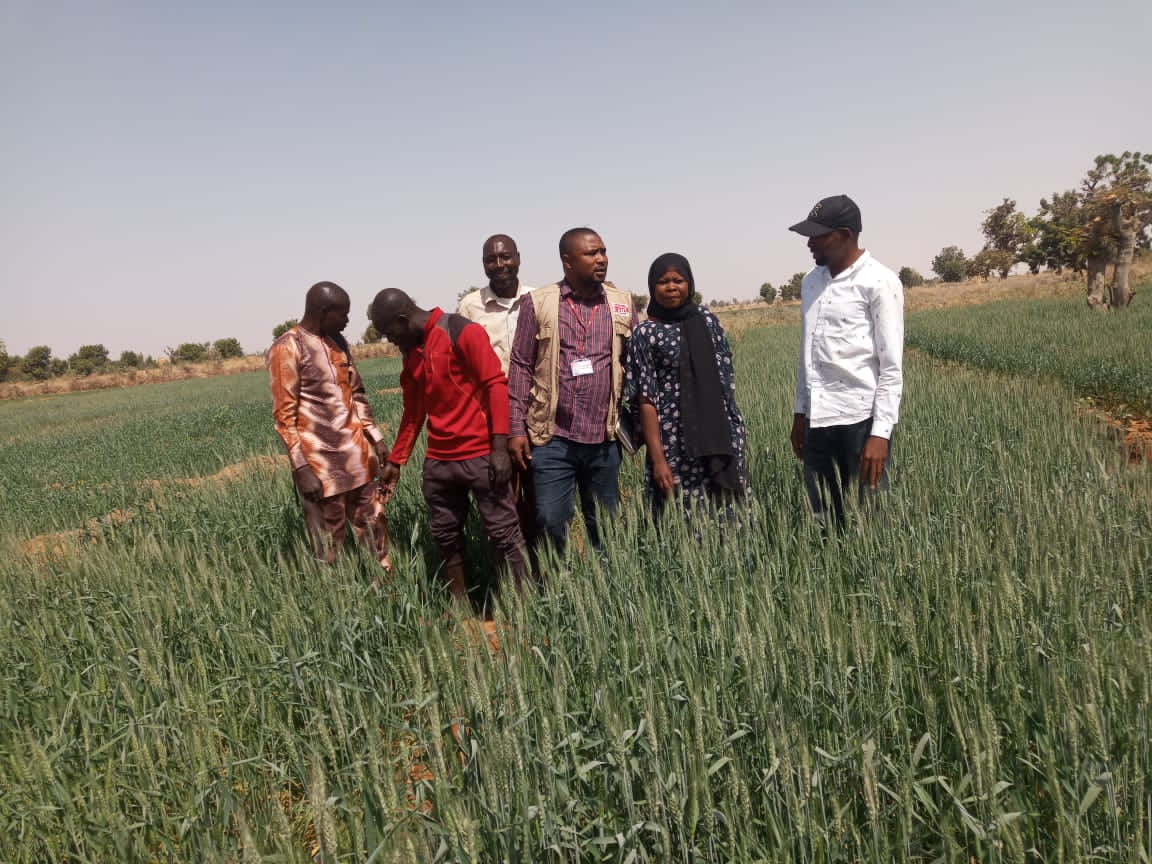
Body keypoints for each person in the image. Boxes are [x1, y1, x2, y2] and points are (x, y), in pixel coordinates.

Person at [369, 288, 528, 607]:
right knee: (445, 534)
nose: (390, 340)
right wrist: (397, 460)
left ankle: (521, 606)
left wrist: (499, 448)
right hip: (440, 462)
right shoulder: (411, 351)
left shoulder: (461, 331)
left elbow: (495, 385)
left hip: (481, 455)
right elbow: (414, 410)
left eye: (390, 333)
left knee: (503, 532)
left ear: (403, 319)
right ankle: (460, 607)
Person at [507, 227, 636, 555]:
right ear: (568, 262)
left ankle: (606, 589)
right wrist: (515, 429)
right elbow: (521, 366)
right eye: (591, 254)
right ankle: (561, 588)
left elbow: (636, 363)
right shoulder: (538, 303)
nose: (601, 259)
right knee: (551, 519)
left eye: (603, 251)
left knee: (605, 523)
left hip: (604, 437)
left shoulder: (621, 303)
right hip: (553, 438)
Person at [788, 195, 904, 525]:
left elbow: (891, 365)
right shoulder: (810, 283)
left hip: (860, 421)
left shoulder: (880, 281)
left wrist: (880, 434)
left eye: (817, 235)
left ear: (844, 234)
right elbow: (807, 351)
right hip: (817, 421)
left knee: (871, 522)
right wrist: (800, 412)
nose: (809, 243)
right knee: (823, 518)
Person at [266, 281, 391, 569]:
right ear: (323, 311)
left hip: (358, 459)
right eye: (343, 314)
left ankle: (388, 596)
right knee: (328, 547)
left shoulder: (339, 343)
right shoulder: (287, 347)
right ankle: (338, 603)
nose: (347, 321)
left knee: (375, 533)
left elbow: (357, 393)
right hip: (321, 468)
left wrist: (376, 438)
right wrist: (301, 468)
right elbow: (284, 417)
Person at [626, 253, 748, 518]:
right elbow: (645, 399)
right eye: (663, 282)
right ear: (652, 287)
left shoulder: (706, 320)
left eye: (678, 280)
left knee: (728, 514)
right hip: (674, 444)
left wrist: (735, 431)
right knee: (681, 519)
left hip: (720, 436)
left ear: (689, 283)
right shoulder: (645, 334)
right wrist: (658, 458)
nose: (671, 287)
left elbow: (725, 377)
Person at [457, 234, 538, 549]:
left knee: (539, 492)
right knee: (505, 492)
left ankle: (541, 559)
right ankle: (514, 563)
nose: (500, 264)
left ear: (518, 257)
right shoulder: (470, 306)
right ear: (484, 265)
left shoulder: (539, 298)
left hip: (538, 410)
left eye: (506, 257)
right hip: (494, 415)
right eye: (492, 259)